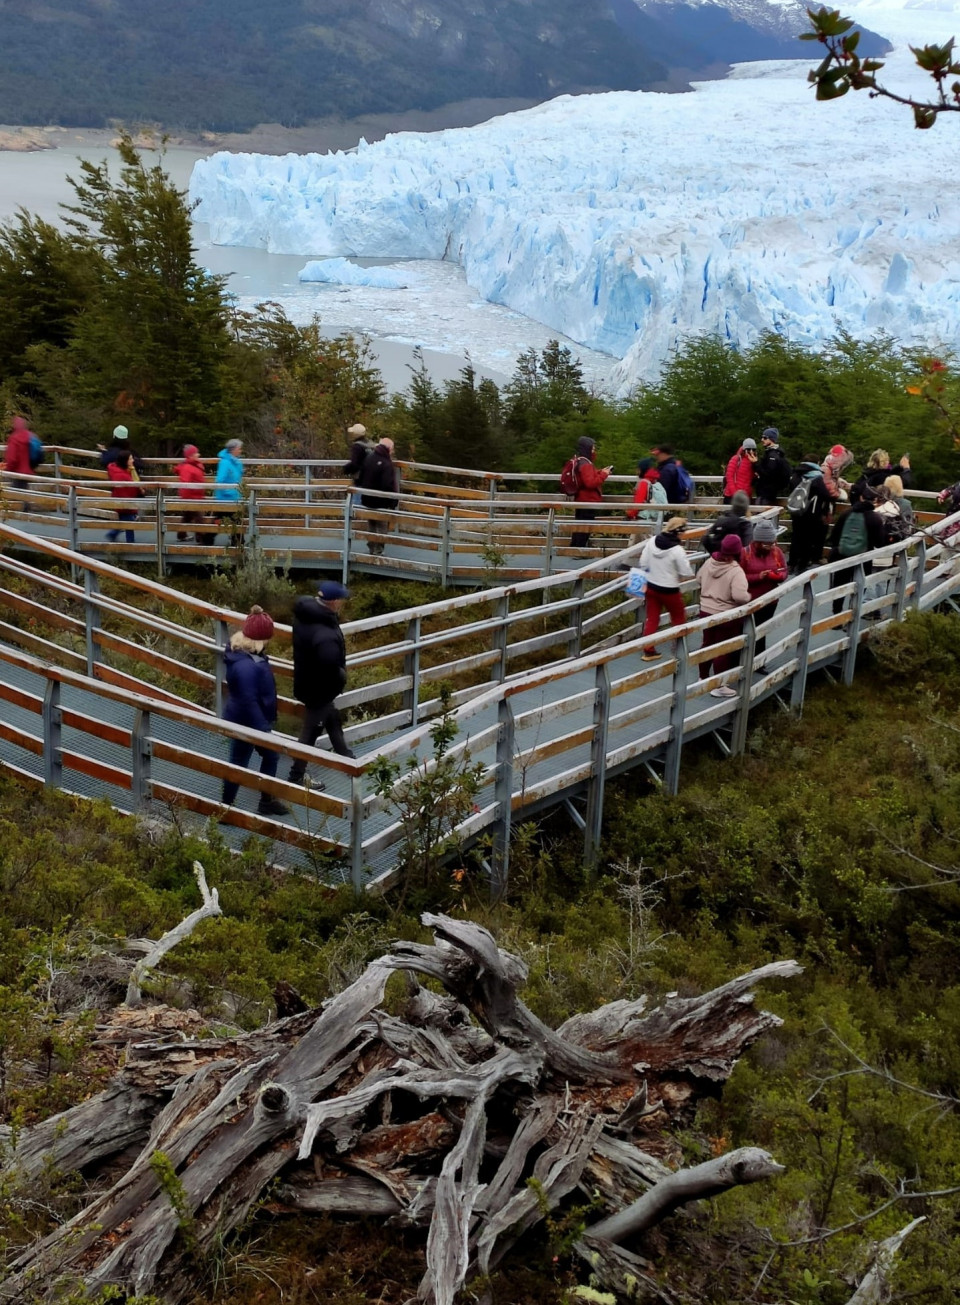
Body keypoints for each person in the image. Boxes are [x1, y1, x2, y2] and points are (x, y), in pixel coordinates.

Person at [220, 606, 289, 817]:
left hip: (243, 719)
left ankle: (229, 807)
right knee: (244, 762)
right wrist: (263, 728)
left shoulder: (241, 655)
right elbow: (248, 701)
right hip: (249, 722)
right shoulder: (247, 667)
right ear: (260, 639)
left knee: (247, 760)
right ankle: (229, 808)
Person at [287, 580, 356, 791]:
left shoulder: (306, 615)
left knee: (331, 717)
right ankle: (296, 775)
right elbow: (330, 665)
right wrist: (341, 676)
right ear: (334, 602)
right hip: (318, 689)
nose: (342, 603)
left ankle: (347, 758)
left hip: (306, 682)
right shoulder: (324, 633)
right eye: (341, 600)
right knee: (311, 732)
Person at [697, 533, 751, 698]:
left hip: (705, 611)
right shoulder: (735, 571)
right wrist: (749, 598)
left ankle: (703, 677)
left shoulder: (709, 562)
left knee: (707, 644)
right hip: (725, 615)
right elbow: (740, 596)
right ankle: (720, 685)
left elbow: (699, 579)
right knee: (722, 649)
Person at [636, 516, 694, 661]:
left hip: (651, 586)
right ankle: (679, 649)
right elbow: (686, 571)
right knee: (678, 618)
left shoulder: (652, 541)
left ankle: (648, 650)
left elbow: (643, 563)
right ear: (680, 532)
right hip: (669, 589)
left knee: (652, 618)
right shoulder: (677, 550)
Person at [829, 487, 887, 615]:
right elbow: (880, 543)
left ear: (861, 497)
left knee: (840, 585)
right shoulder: (875, 518)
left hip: (843, 555)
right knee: (860, 586)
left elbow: (834, 536)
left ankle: (837, 614)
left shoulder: (846, 513)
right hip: (863, 558)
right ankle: (852, 614)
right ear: (875, 500)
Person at [740, 518, 787, 656]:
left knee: (763, 630)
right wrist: (758, 577)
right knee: (748, 630)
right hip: (750, 600)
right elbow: (738, 578)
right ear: (758, 541)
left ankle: (760, 660)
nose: (770, 546)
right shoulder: (745, 553)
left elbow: (784, 570)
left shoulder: (777, 552)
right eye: (766, 544)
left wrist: (778, 576)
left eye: (772, 543)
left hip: (771, 600)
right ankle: (743, 659)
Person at [786, 457, 832, 575]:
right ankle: (802, 566)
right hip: (811, 513)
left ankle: (791, 563)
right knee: (807, 539)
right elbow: (825, 494)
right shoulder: (816, 477)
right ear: (816, 463)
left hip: (797, 511)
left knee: (796, 537)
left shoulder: (796, 474)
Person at [355, 436, 399, 554]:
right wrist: (393, 500)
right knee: (382, 526)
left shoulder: (369, 458)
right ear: (389, 449)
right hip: (381, 502)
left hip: (367, 498)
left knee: (372, 524)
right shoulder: (386, 464)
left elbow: (361, 476)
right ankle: (378, 550)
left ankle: (371, 547)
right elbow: (387, 485)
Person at [3, 415, 41, 510]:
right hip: (28, 469)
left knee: (15, 493)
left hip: (17, 470)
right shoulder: (30, 436)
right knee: (23, 491)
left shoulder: (14, 438)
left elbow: (12, 458)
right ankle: (25, 511)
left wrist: (8, 469)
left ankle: (19, 514)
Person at [106, 449, 143, 543]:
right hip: (124, 502)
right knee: (128, 523)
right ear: (125, 461)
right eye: (131, 459)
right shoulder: (122, 475)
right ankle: (128, 542)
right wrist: (140, 491)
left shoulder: (125, 471)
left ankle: (118, 537)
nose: (133, 461)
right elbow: (130, 489)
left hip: (123, 501)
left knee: (125, 522)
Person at [213, 438, 244, 546]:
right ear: (233, 449)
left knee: (231, 520)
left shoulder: (236, 462)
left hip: (234, 497)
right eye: (239, 449)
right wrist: (229, 491)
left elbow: (238, 479)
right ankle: (238, 543)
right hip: (225, 498)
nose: (240, 451)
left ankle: (238, 542)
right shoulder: (225, 463)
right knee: (223, 521)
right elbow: (220, 480)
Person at [702, 490, 753, 555]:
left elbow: (705, 538)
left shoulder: (721, 520)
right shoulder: (745, 525)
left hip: (717, 560)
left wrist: (714, 554)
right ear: (746, 507)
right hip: (736, 562)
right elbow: (748, 547)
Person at [175, 444, 208, 542]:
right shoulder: (188, 468)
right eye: (196, 453)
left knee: (187, 517)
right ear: (190, 455)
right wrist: (189, 498)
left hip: (194, 496)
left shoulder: (195, 464)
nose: (198, 454)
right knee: (199, 518)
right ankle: (200, 538)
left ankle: (181, 535)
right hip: (192, 497)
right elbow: (185, 484)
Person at [755, 428, 792, 505]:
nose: (762, 439)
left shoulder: (773, 456)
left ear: (771, 439)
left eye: (765, 438)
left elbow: (767, 474)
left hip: (766, 494)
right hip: (768, 493)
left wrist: (755, 463)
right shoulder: (773, 453)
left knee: (760, 515)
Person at [626, 458, 667, 528]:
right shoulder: (656, 482)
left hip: (644, 519)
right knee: (635, 538)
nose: (636, 471)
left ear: (642, 469)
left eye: (638, 469)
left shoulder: (644, 483)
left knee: (647, 539)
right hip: (656, 518)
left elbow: (638, 503)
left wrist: (630, 514)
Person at [722, 438, 758, 504]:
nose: (751, 451)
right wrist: (735, 494)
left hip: (746, 496)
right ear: (744, 449)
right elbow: (729, 477)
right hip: (732, 496)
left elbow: (754, 478)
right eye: (749, 449)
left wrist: (755, 464)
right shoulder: (736, 459)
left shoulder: (753, 461)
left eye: (753, 449)